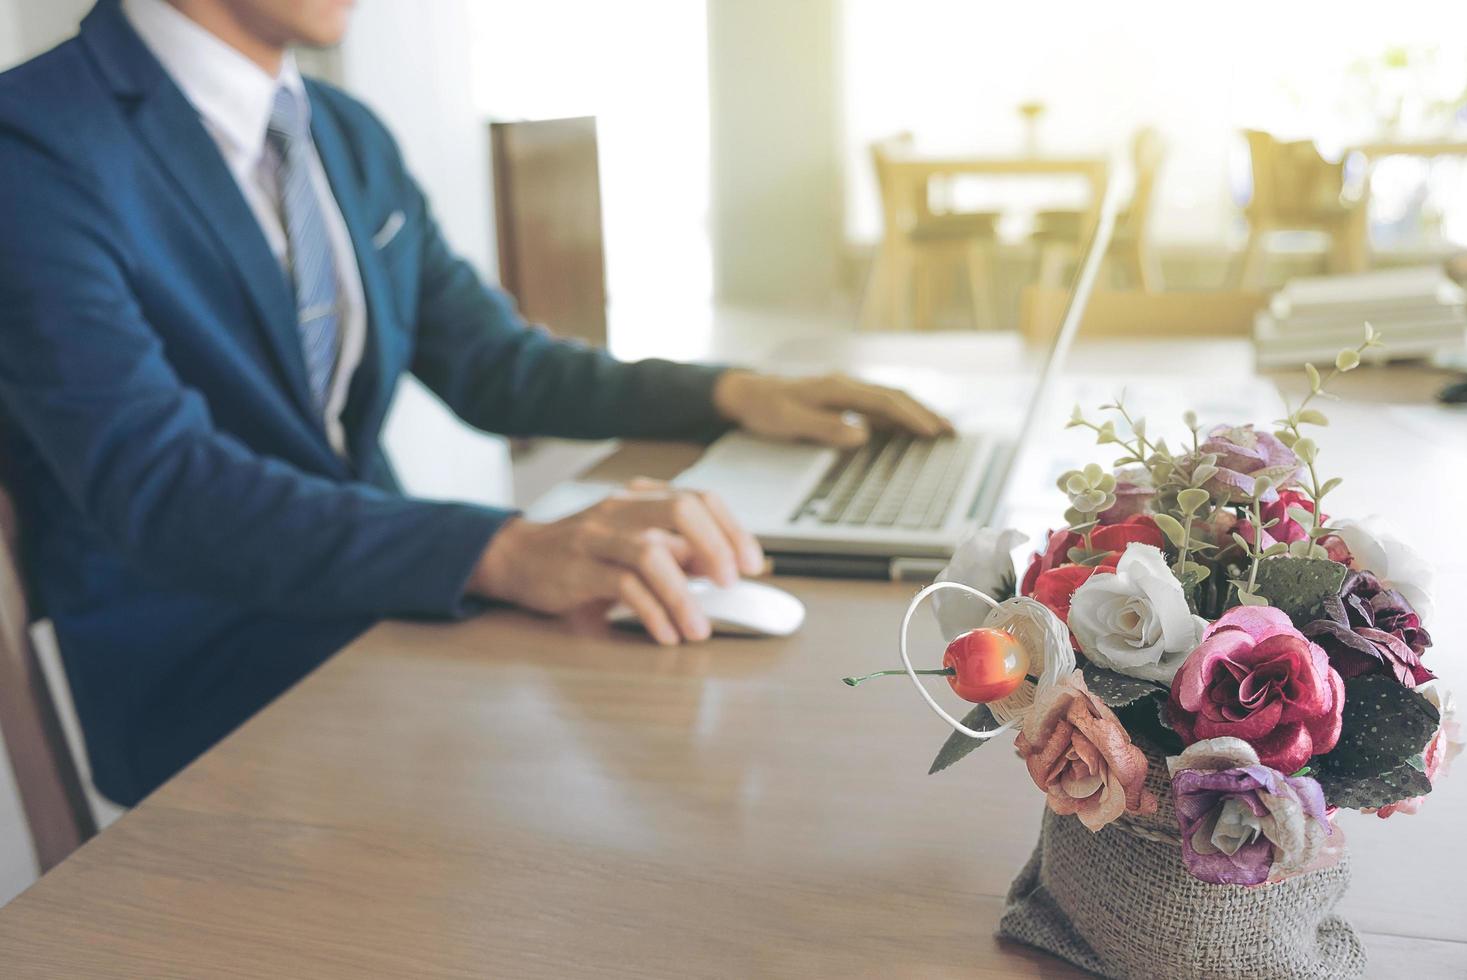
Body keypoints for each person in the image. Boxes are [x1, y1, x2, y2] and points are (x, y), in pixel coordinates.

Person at [0, 0, 949, 806]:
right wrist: (505, 550)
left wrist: (732, 393)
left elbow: (496, 364)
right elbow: (160, 483)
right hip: (209, 678)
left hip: (381, 618)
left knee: (726, 750)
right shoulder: (33, 146)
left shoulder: (341, 130)